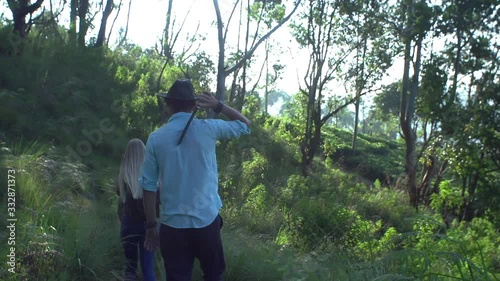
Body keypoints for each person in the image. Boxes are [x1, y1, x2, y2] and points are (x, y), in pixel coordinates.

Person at [139, 79, 251, 281]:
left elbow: (148, 186)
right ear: (195, 105)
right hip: (206, 221)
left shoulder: (156, 137)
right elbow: (245, 125)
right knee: (213, 275)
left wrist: (150, 226)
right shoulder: (209, 128)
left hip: (173, 227)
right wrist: (218, 105)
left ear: (168, 105)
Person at [116, 138, 158, 281]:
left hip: (129, 222)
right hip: (149, 224)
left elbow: (119, 194)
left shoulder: (124, 172)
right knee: (148, 267)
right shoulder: (152, 171)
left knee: (130, 267)